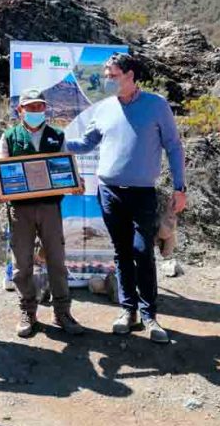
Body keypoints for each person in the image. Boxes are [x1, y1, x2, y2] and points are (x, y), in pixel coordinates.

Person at [66, 53, 186, 344]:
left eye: (112, 75)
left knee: (142, 251)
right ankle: (127, 311)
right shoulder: (104, 108)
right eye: (106, 75)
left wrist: (180, 187)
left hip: (143, 193)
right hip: (108, 191)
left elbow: (173, 146)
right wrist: (54, 140)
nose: (106, 80)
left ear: (130, 75)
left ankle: (149, 315)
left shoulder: (156, 105)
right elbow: (86, 144)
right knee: (121, 252)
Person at [0, 88, 85, 338]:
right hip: (20, 211)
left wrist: (77, 181)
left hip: (50, 208)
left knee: (56, 261)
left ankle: (62, 312)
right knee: (22, 264)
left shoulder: (57, 135)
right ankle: (28, 311)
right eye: (30, 107)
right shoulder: (9, 137)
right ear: (20, 110)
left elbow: (68, 166)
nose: (36, 111)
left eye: (40, 106)